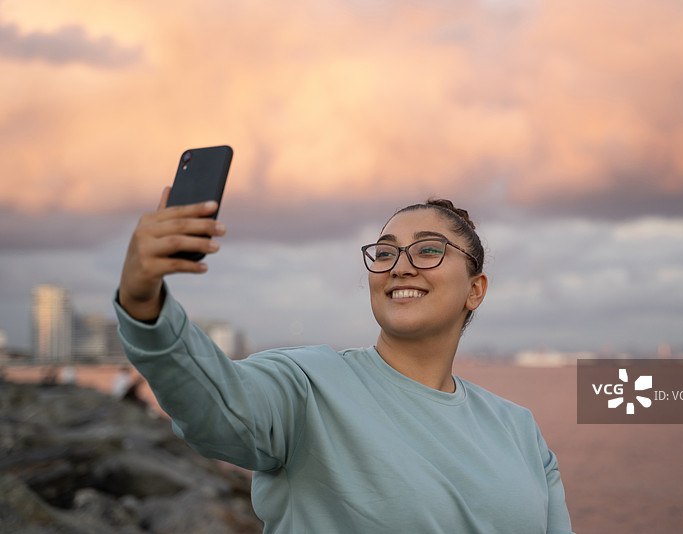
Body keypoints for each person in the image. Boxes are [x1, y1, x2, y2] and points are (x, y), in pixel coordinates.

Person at [114, 188, 574, 534]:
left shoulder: (519, 431)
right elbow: (215, 407)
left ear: (475, 289)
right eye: (386, 252)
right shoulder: (308, 386)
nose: (400, 265)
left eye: (429, 249)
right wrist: (142, 301)